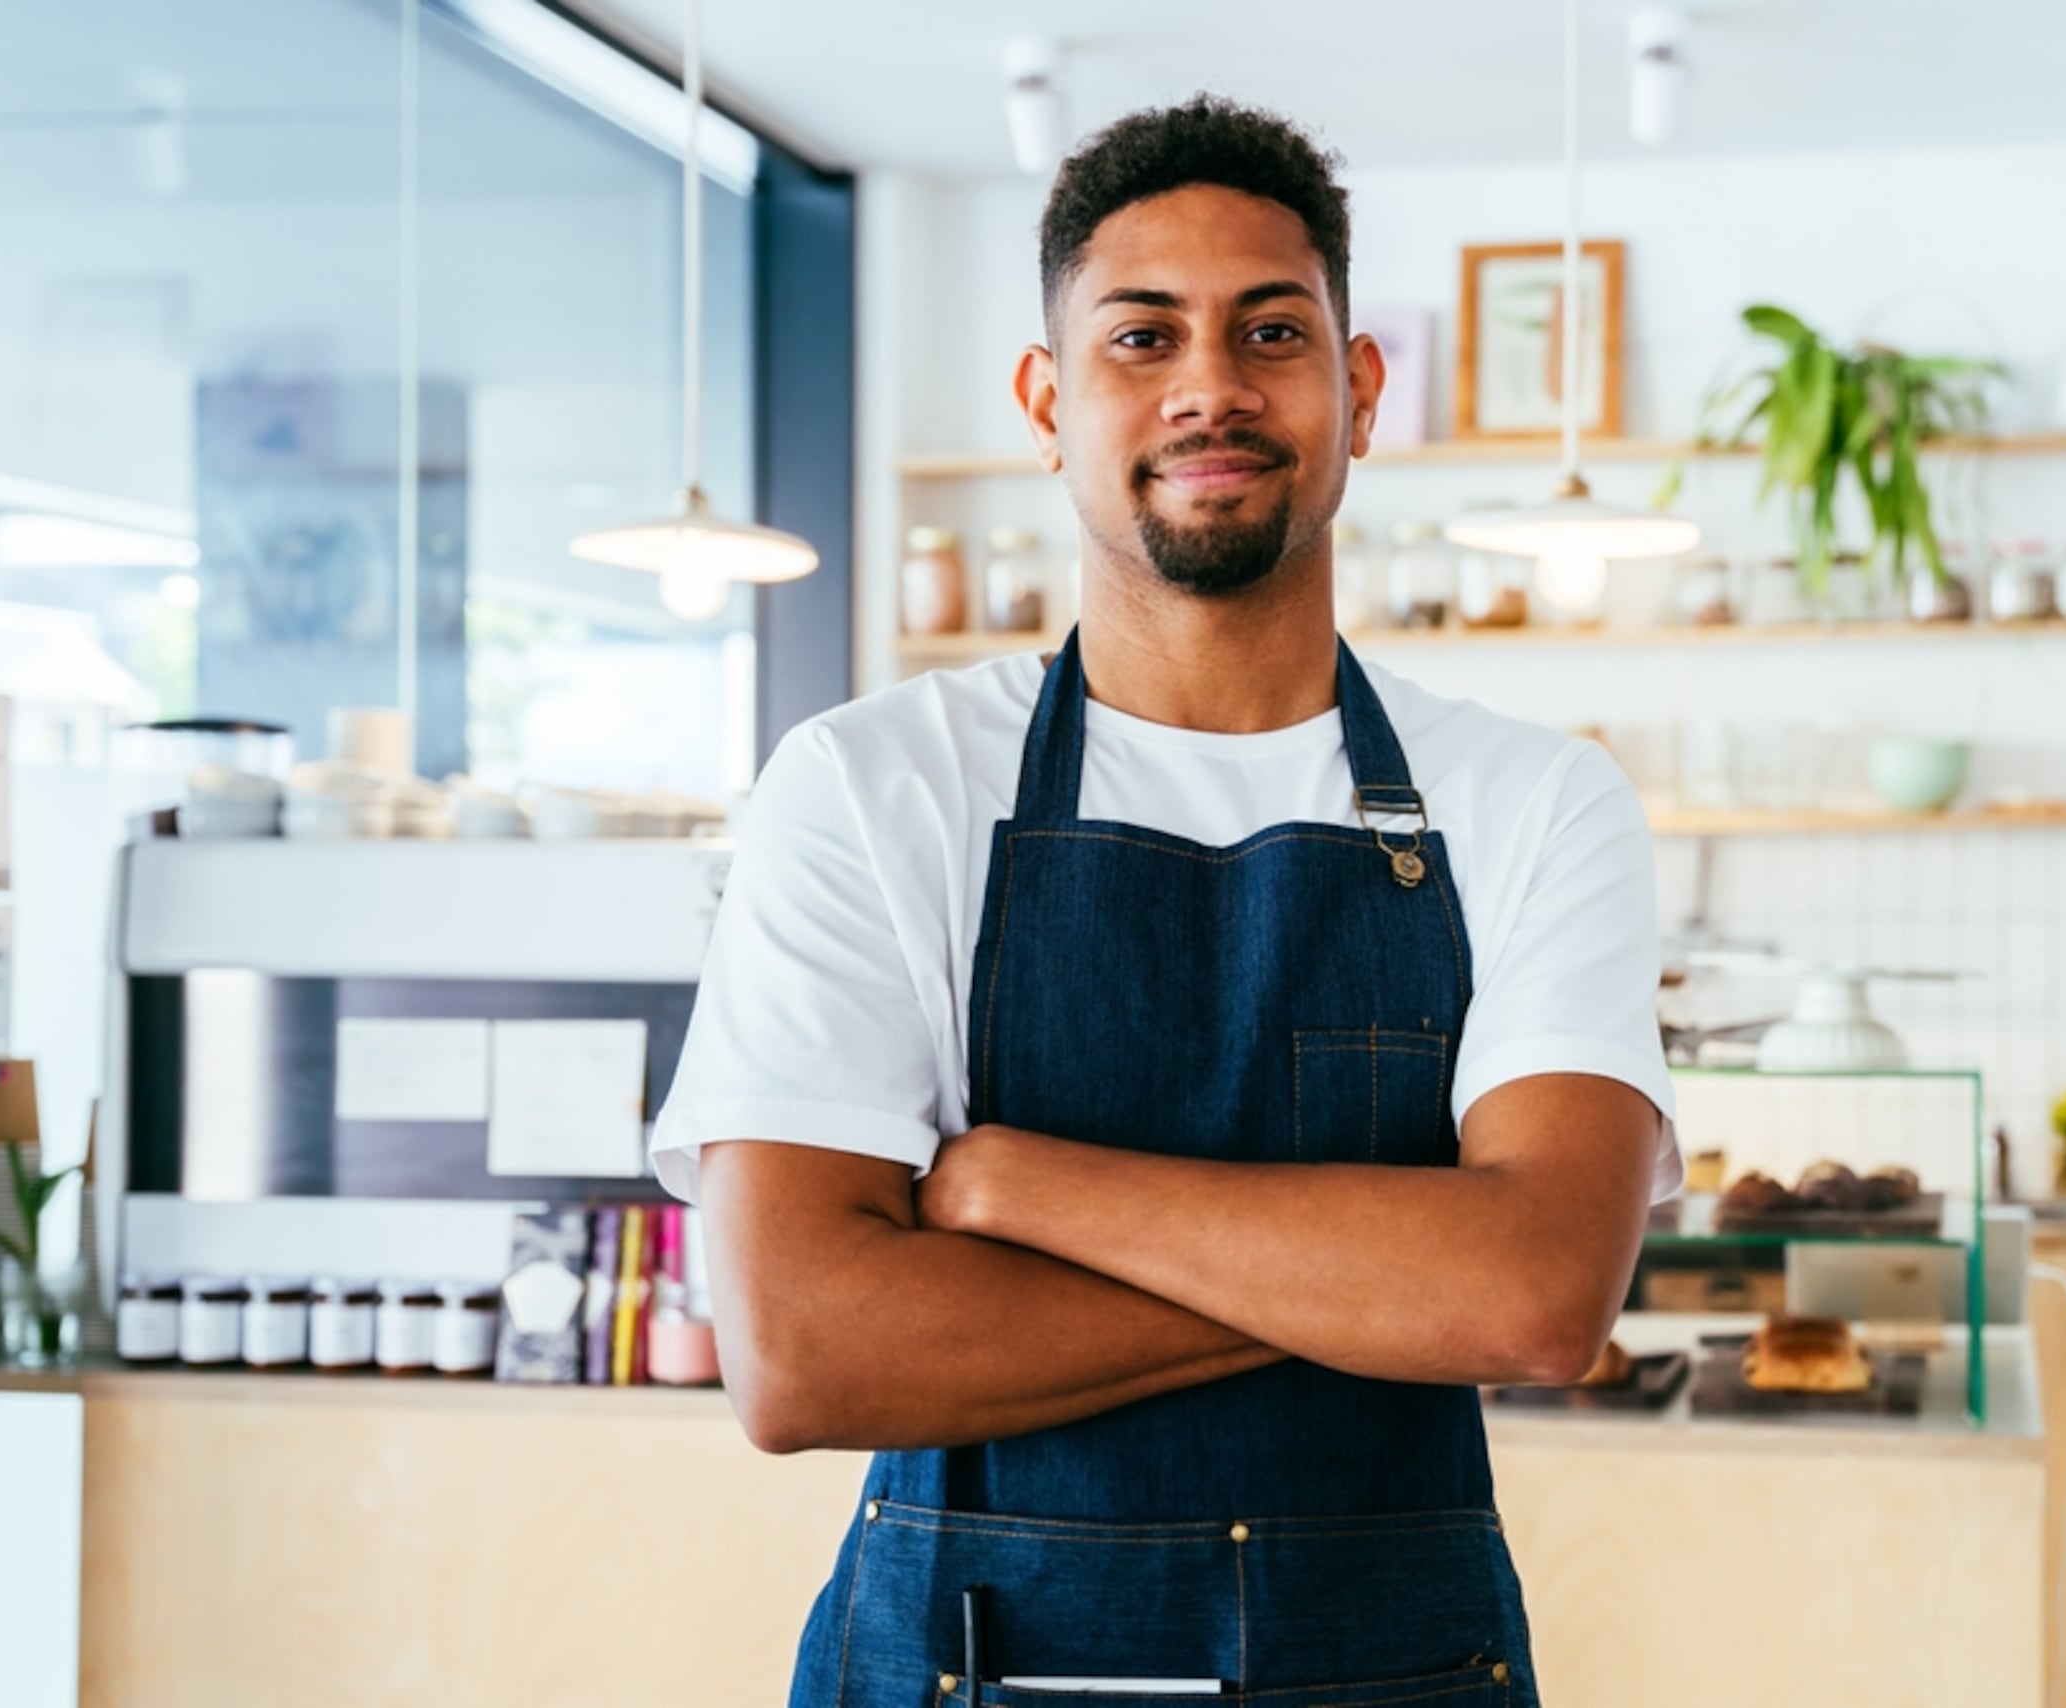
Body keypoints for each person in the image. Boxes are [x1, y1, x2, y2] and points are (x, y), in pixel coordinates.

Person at [652, 94, 1677, 1707]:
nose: (1212, 385)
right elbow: (802, 1353)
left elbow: (1536, 1298)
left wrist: (1013, 1186)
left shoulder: (1539, 800)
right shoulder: (867, 785)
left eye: (1273, 331)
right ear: (1047, 405)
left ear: (1359, 392)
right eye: (1143, 338)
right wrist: (1378, 1285)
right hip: (961, 1667)